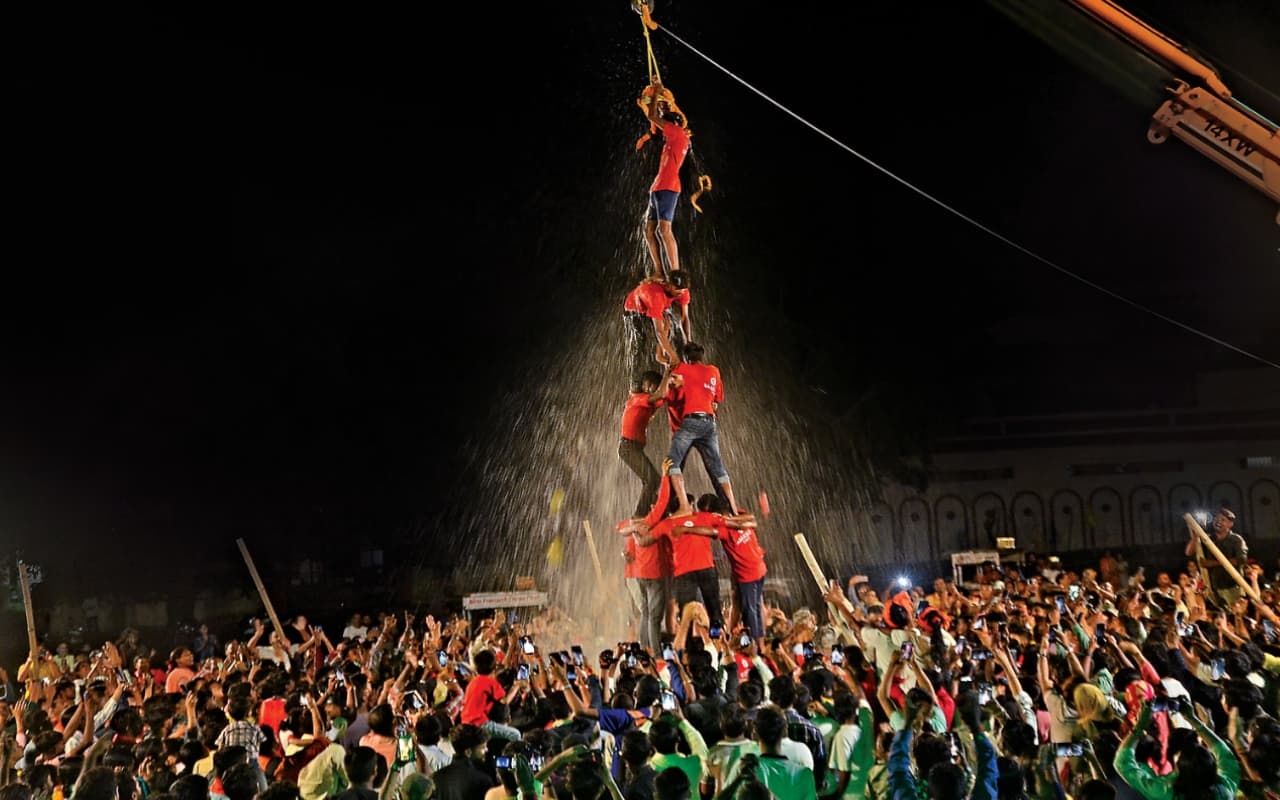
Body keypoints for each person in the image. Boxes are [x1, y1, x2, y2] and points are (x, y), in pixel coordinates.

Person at [666, 341, 738, 518]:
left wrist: (663, 338)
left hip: (691, 422)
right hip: (710, 423)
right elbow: (716, 400)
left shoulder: (682, 368)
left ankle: (682, 506)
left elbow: (664, 359)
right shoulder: (714, 370)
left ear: (686, 358)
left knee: (672, 463)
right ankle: (732, 509)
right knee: (717, 467)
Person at [643, 79, 691, 277]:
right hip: (658, 187)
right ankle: (659, 271)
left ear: (671, 125)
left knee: (664, 230)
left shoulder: (677, 132)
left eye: (665, 123)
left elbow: (653, 116)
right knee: (648, 230)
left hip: (668, 187)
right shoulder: (674, 138)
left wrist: (655, 93)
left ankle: (675, 272)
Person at [624, 272, 691, 387]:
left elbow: (684, 318)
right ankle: (635, 384)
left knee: (670, 325)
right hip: (634, 311)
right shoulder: (656, 295)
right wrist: (672, 354)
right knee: (640, 344)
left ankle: (660, 356)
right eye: (677, 292)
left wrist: (688, 342)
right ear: (669, 286)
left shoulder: (682, 291)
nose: (680, 294)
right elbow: (659, 331)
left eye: (682, 292)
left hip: (656, 306)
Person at [620, 368, 671, 517]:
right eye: (650, 385)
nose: (651, 388)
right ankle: (638, 516)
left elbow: (664, 396)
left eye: (654, 385)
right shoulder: (637, 398)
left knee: (652, 481)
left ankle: (655, 511)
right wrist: (668, 373)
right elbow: (661, 394)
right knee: (652, 480)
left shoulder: (649, 402)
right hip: (628, 447)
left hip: (634, 447)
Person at [1184, 506, 1248, 609]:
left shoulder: (1236, 540)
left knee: (1236, 614)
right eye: (1217, 518)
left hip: (1233, 587)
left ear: (1230, 524)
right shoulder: (1207, 539)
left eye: (1223, 520)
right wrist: (1197, 533)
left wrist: (1212, 563)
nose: (1219, 521)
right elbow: (1189, 552)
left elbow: (1241, 560)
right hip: (1214, 589)